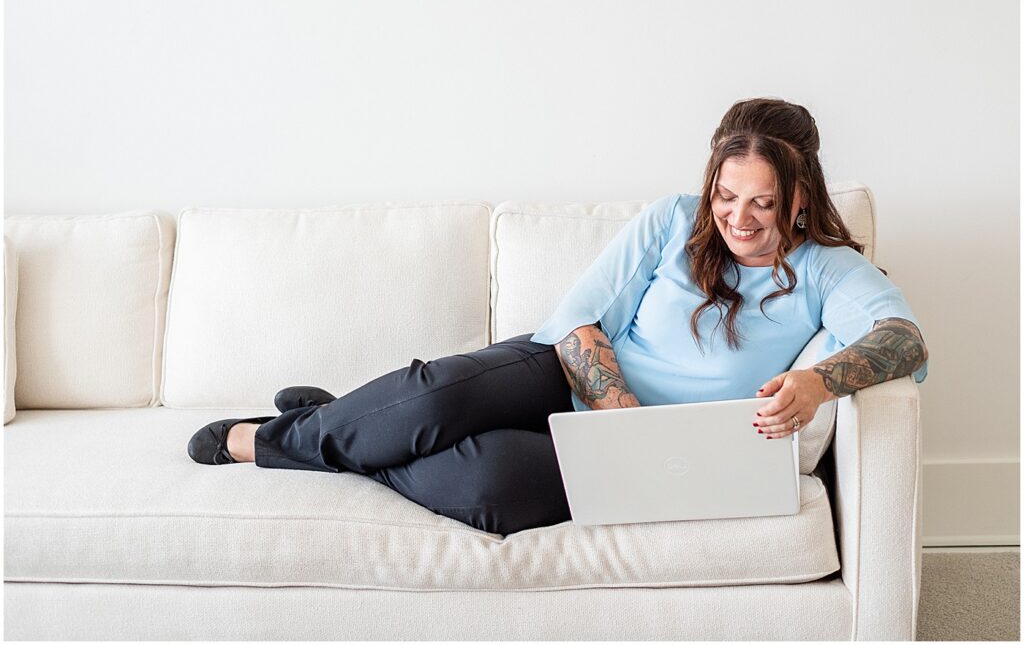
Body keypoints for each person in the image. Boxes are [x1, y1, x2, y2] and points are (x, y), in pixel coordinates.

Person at [187, 97, 929, 537]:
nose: (736, 218)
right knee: (436, 397)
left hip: (663, 453)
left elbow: (903, 340)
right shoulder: (673, 219)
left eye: (761, 202)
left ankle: (351, 429)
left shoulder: (829, 269)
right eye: (725, 196)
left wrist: (820, 383)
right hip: (570, 371)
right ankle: (280, 438)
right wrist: (616, 407)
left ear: (799, 198)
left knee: (493, 489)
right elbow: (578, 318)